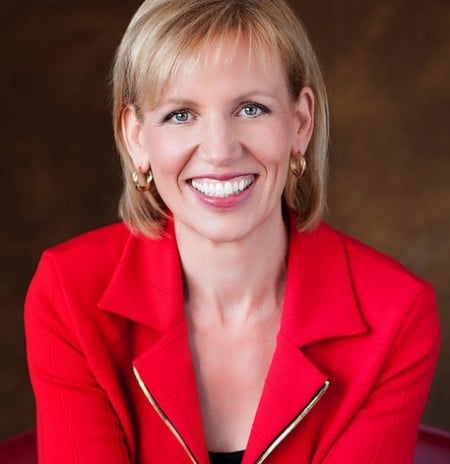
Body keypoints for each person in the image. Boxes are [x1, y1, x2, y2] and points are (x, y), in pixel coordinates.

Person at [24, 0, 440, 463]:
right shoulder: (69, 293)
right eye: (181, 114)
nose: (220, 151)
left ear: (300, 123)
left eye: (251, 108)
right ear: (136, 138)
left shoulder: (396, 315)